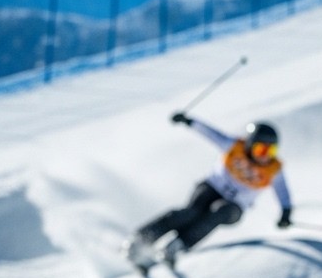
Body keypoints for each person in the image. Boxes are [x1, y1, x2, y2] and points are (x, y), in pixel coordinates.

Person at [124, 112, 293, 270]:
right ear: (249, 145)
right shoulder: (235, 147)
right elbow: (212, 134)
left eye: (271, 151)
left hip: (234, 206)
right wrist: (190, 121)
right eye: (260, 149)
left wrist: (285, 212)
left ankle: (178, 245)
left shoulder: (274, 169)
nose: (265, 156)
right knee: (190, 213)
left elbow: (282, 191)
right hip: (211, 188)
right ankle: (141, 239)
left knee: (219, 212)